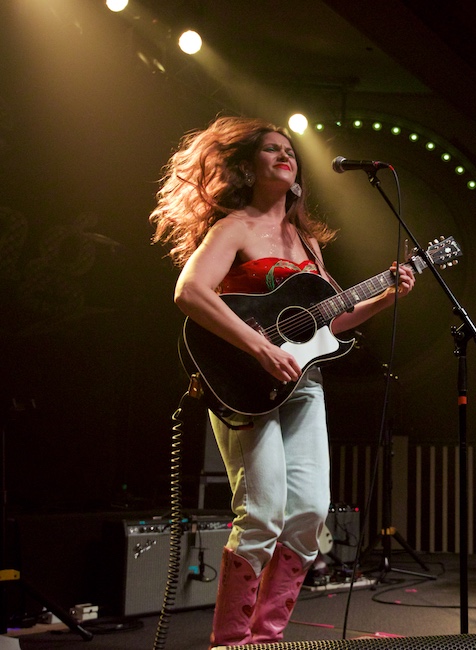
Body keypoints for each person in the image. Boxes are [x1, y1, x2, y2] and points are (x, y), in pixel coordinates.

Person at [149, 115, 415, 646]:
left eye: (289, 149)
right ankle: (229, 643)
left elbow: (328, 322)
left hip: (301, 384)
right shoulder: (234, 228)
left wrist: (387, 297)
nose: (284, 155)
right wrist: (260, 347)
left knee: (311, 513)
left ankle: (265, 639)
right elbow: (190, 293)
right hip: (243, 382)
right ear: (247, 169)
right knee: (264, 513)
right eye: (271, 149)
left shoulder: (307, 244)